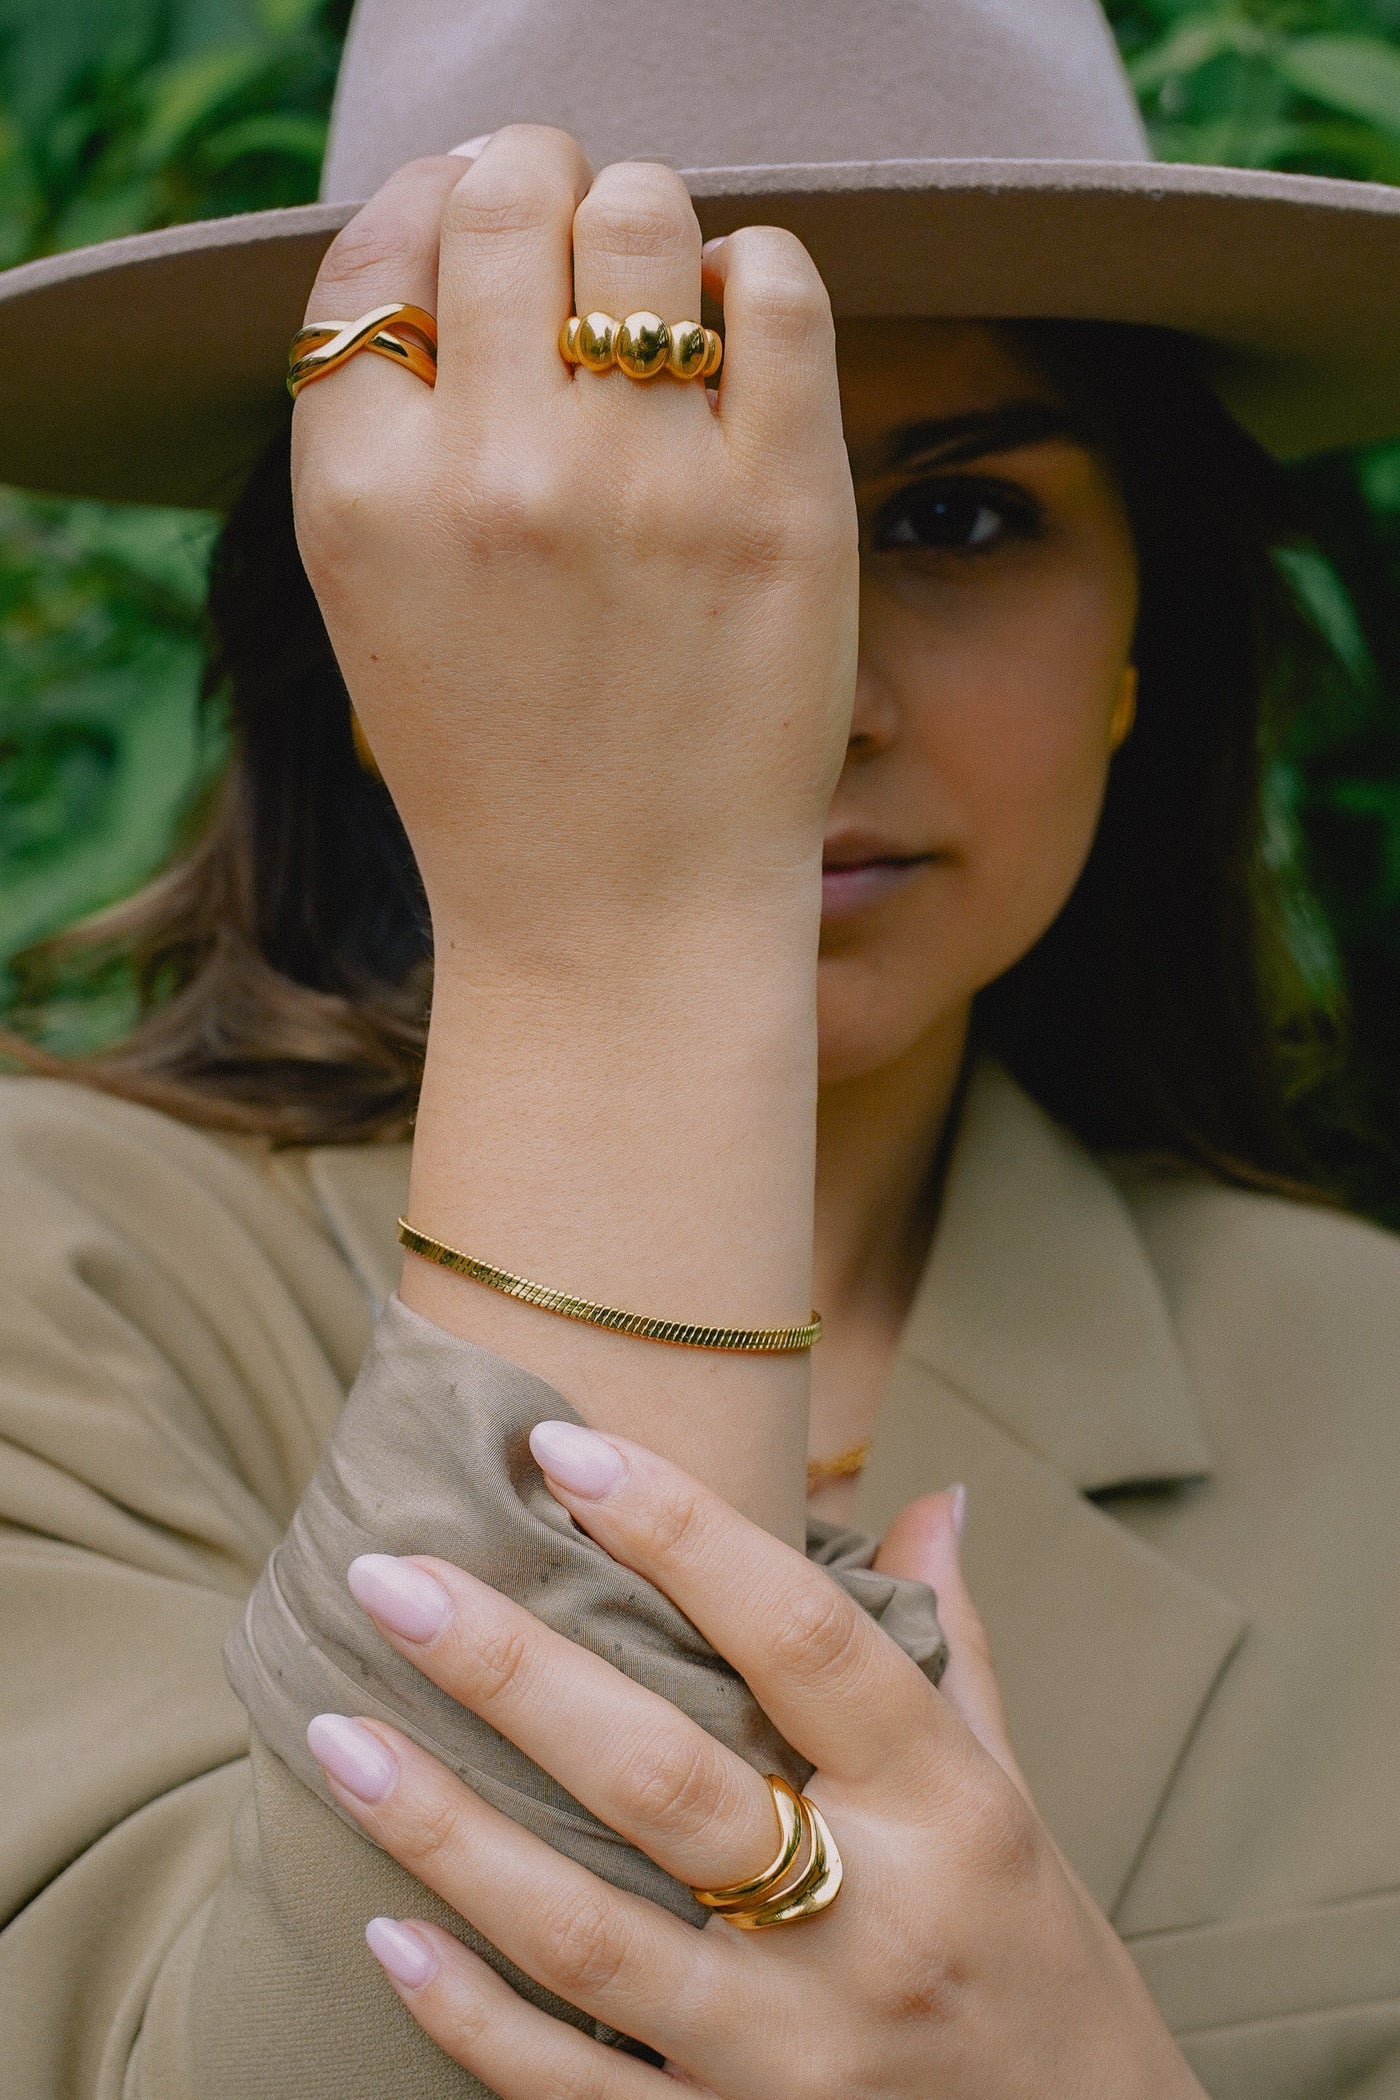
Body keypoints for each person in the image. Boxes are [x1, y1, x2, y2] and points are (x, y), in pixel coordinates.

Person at [2, 1, 1399, 2095]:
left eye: (950, 524)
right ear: (362, 638)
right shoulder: (63, 1293)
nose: (795, 694)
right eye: (585, 530)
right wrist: (622, 928)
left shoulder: (1362, 1389)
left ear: (1145, 641)